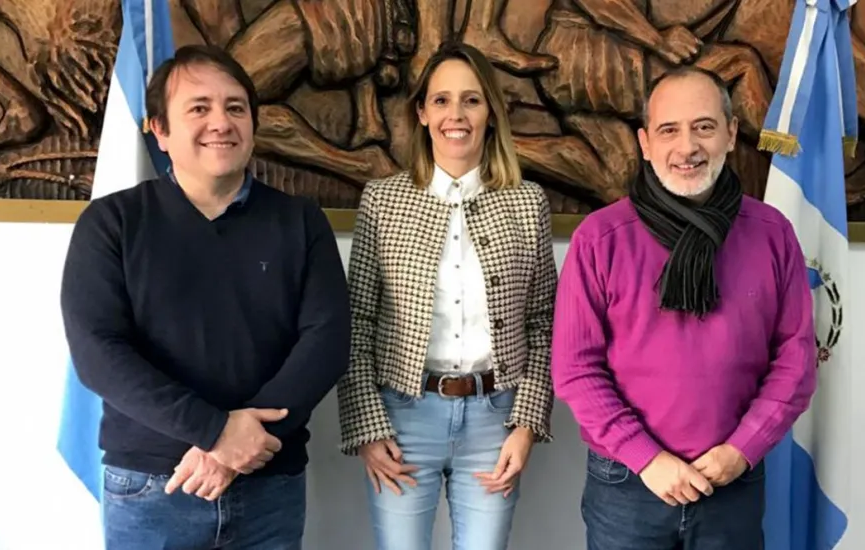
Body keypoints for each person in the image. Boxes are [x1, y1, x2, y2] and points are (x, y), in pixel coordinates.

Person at [59, 44, 351, 550]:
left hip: (270, 486)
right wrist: (216, 432)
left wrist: (239, 443)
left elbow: (326, 342)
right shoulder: (111, 223)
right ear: (160, 130)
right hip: (152, 487)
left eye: (235, 107)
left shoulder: (301, 221)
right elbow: (98, 352)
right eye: (199, 108)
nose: (221, 122)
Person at [551, 66, 818, 550]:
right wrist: (646, 458)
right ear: (645, 143)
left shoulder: (773, 234)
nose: (687, 147)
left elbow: (795, 360)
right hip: (628, 486)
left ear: (731, 134)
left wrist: (742, 449)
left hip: (732, 482)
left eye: (704, 127)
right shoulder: (599, 239)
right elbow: (576, 368)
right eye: (669, 130)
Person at [335, 41, 557, 550]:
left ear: (490, 114)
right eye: (441, 100)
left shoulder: (526, 203)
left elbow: (543, 321)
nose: (455, 115)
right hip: (402, 417)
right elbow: (357, 320)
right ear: (422, 112)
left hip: (495, 420)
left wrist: (527, 423)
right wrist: (367, 425)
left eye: (471, 100)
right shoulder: (383, 201)